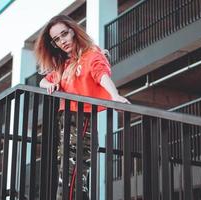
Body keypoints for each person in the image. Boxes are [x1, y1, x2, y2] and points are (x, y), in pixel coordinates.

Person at [34, 15, 130, 199]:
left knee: (74, 174)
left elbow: (101, 74)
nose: (62, 41)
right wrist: (49, 85)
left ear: (73, 31)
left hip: (81, 118)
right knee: (65, 173)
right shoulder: (65, 64)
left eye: (64, 34)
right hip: (64, 121)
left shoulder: (90, 55)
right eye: (57, 39)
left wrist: (115, 95)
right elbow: (44, 81)